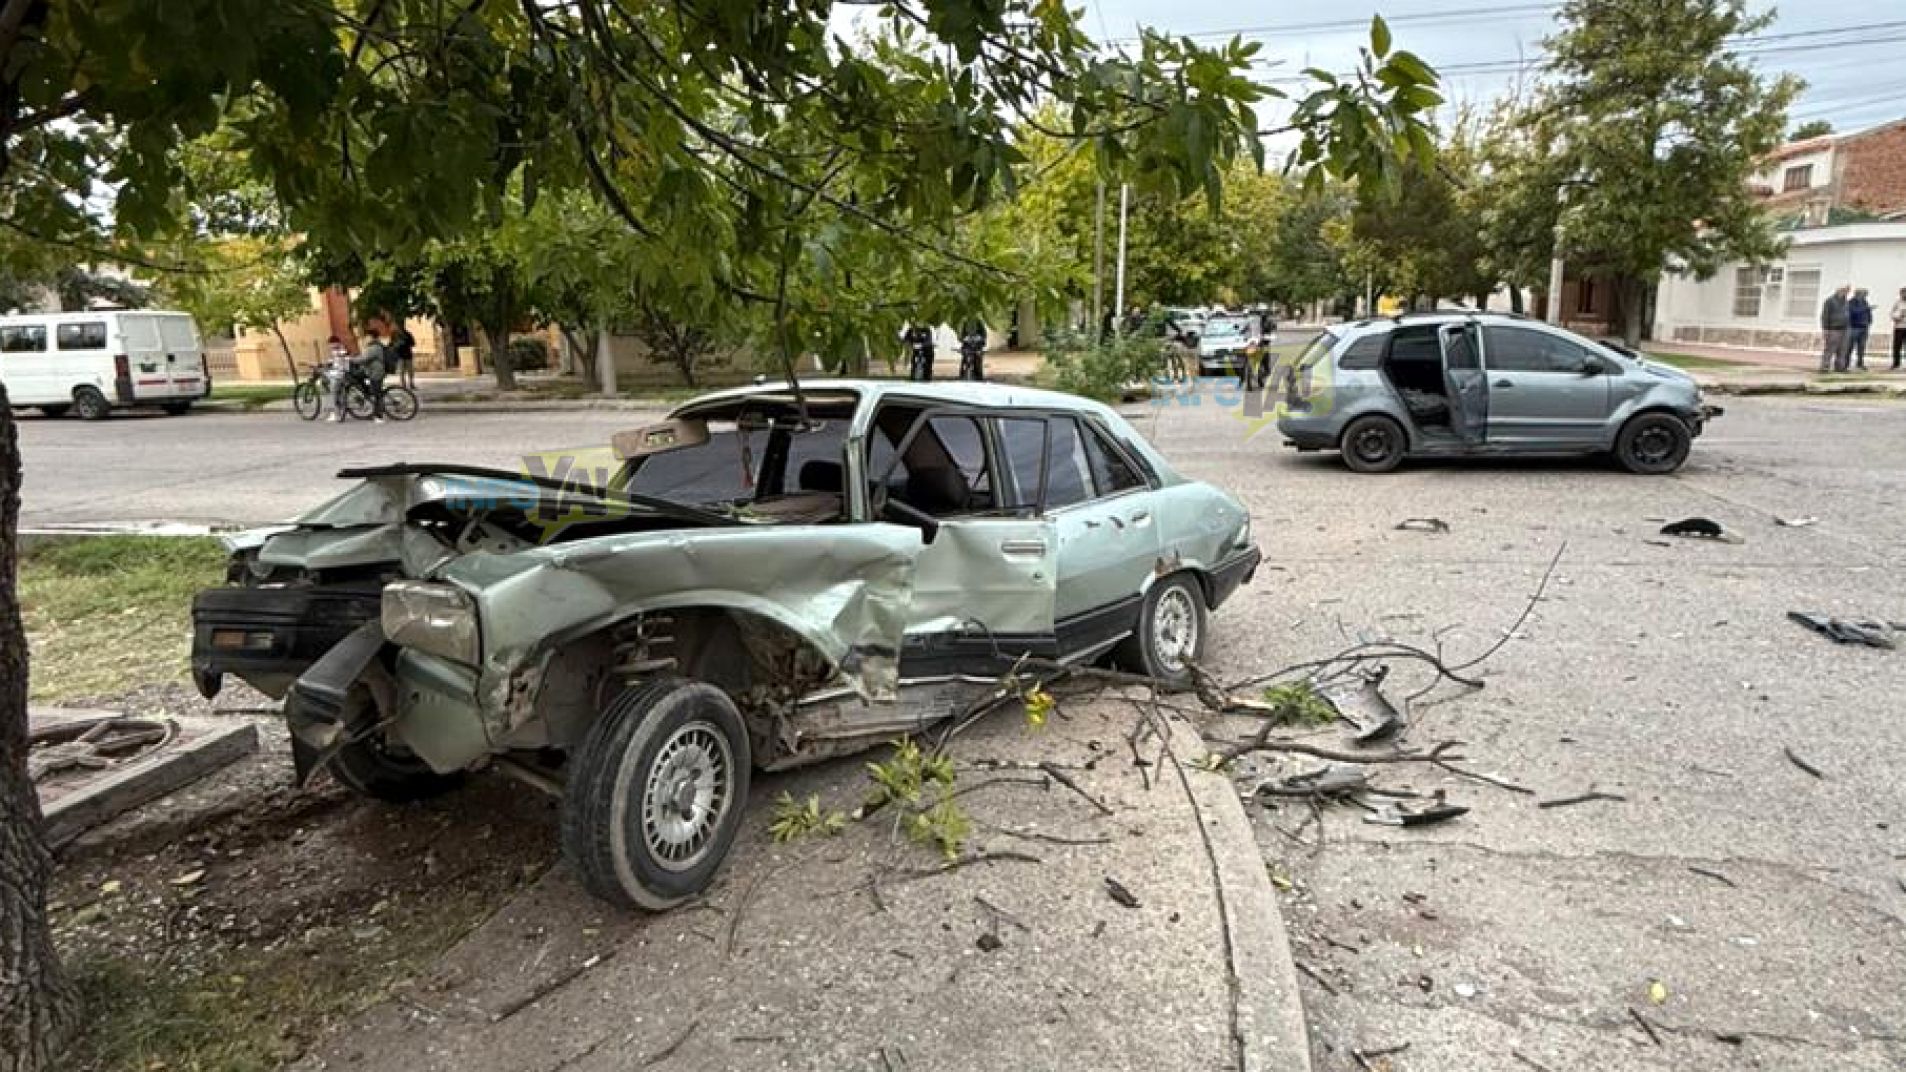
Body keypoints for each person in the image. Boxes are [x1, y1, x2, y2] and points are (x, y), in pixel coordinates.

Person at [1819, 285, 1851, 373]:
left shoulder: (1846, 301)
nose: (1846, 293)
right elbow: (1825, 315)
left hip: (1845, 328)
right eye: (1844, 290)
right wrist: (1825, 329)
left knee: (1843, 349)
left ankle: (1840, 367)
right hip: (1834, 329)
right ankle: (1825, 367)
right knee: (1830, 349)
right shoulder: (1830, 301)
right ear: (1839, 290)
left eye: (1847, 291)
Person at [387, 318, 417, 389]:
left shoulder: (407, 334)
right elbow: (391, 345)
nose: (400, 326)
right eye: (399, 325)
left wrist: (405, 342)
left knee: (410, 371)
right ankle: (403, 384)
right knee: (401, 371)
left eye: (401, 325)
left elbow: (413, 343)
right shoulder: (394, 335)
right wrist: (395, 345)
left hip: (408, 355)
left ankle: (411, 383)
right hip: (400, 356)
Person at [1848, 288, 1873, 371]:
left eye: (1866, 295)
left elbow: (1868, 312)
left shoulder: (1865, 302)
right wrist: (1866, 309)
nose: (1865, 296)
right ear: (1857, 294)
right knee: (1850, 346)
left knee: (1862, 347)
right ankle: (1846, 363)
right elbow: (1854, 312)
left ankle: (1860, 363)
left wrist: (1869, 321)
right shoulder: (1851, 302)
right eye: (1864, 294)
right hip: (1854, 327)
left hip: (1864, 327)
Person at [1892, 287, 1906, 371]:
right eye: (1903, 293)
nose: (1904, 295)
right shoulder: (1897, 303)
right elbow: (1892, 313)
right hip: (1899, 327)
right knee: (1897, 347)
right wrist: (1897, 317)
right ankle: (1896, 364)